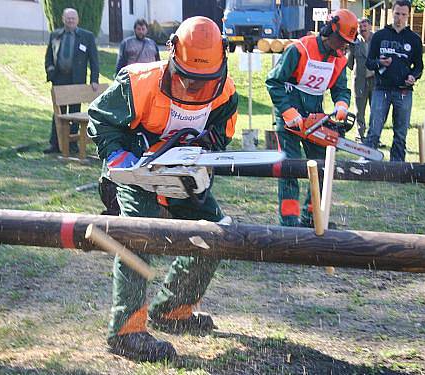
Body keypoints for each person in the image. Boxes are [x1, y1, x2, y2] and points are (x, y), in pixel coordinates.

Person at [88, 16, 238, 362]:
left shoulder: (225, 91)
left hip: (182, 172)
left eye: (204, 82)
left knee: (216, 232)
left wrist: (206, 149)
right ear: (173, 57)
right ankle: (126, 331)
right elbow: (101, 119)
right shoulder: (140, 82)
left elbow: (221, 133)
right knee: (137, 235)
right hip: (136, 171)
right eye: (188, 79)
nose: (195, 88)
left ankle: (173, 309)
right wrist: (120, 156)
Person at [266, 9, 357, 227]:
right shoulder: (300, 49)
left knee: (322, 166)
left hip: (316, 117)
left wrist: (341, 106)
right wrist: (288, 112)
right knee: (290, 168)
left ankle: (312, 214)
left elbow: (341, 89)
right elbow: (274, 82)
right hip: (290, 117)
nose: (345, 46)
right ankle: (289, 220)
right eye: (343, 41)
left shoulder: (339, 60)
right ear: (331, 32)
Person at [364, 0, 423, 161]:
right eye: (397, 13)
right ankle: (368, 163)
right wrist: (380, 63)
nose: (400, 18)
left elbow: (419, 67)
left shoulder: (414, 39)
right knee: (374, 129)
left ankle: (397, 167)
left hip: (404, 91)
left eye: (403, 14)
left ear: (408, 15)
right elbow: (369, 62)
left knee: (401, 131)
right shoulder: (380, 36)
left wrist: (413, 76)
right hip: (381, 89)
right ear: (392, 13)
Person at [44, 8, 99, 154]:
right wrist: (50, 71)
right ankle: (55, 144)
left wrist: (94, 79)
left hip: (77, 80)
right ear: (63, 19)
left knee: (75, 112)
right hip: (59, 79)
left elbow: (94, 60)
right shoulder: (55, 35)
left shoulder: (87, 36)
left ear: (77, 20)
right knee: (58, 113)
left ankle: (73, 144)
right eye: (68, 18)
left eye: (73, 18)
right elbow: (49, 56)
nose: (70, 21)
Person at [347, 18, 374, 141]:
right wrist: (358, 70)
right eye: (360, 26)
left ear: (370, 26)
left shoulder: (376, 40)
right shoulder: (354, 43)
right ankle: (360, 135)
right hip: (359, 81)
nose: (362, 28)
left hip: (375, 81)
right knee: (360, 110)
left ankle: (374, 136)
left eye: (364, 25)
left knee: (376, 109)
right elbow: (349, 62)